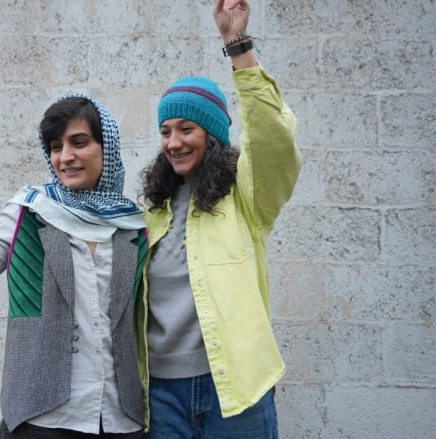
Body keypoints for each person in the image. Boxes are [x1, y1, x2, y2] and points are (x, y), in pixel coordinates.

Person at [0, 94, 149, 438]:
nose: (65, 157)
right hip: (42, 419)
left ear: (106, 146)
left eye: (79, 142)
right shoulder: (30, 211)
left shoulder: (135, 226)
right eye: (55, 146)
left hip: (120, 419)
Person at [137, 0, 301, 437]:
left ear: (213, 136)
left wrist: (238, 46)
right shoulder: (153, 211)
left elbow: (273, 141)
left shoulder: (247, 199)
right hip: (161, 397)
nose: (173, 142)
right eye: (165, 130)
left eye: (186, 129)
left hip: (235, 392)